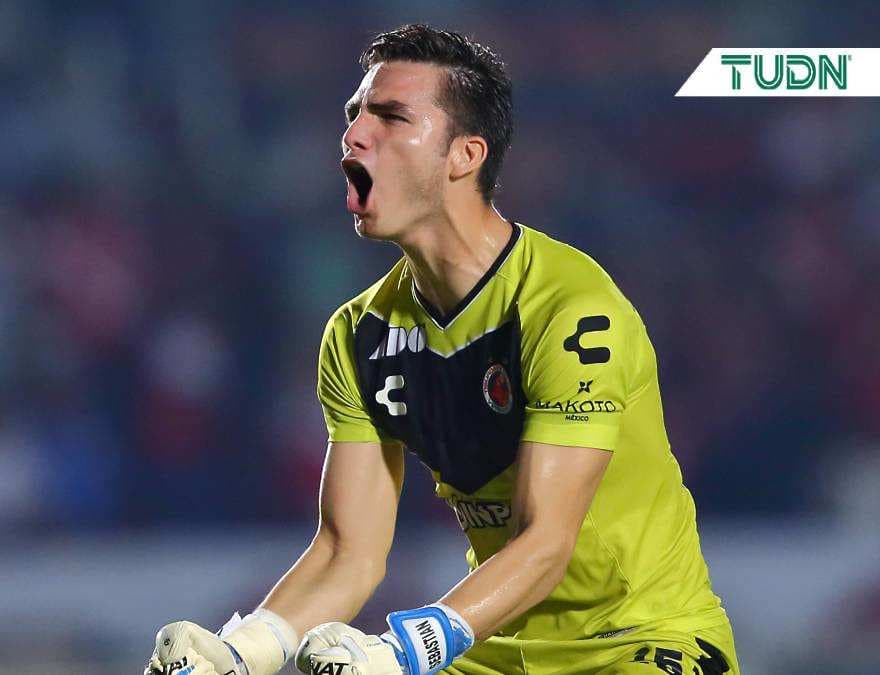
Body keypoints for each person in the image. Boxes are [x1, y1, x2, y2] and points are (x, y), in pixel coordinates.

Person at [144, 23, 739, 675]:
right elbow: (348, 552)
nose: (355, 136)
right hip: (494, 650)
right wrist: (241, 652)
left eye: (392, 117)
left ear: (465, 156)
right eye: (355, 116)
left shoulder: (570, 308)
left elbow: (547, 543)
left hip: (638, 641)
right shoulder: (358, 334)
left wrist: (402, 651)